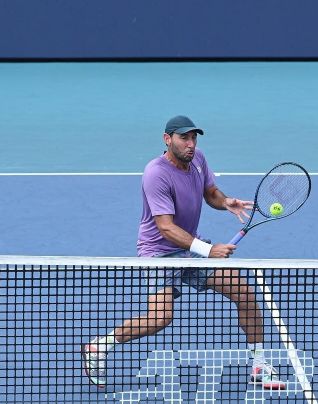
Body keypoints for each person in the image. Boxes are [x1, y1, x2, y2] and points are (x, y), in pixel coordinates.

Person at [81, 115, 286, 390]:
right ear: (168, 139)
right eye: (184, 138)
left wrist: (226, 202)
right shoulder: (156, 173)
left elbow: (210, 191)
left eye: (193, 138)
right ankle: (98, 347)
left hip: (189, 247)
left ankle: (260, 365)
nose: (190, 144)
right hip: (159, 252)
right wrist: (208, 250)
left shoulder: (198, 159)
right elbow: (165, 228)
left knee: (244, 293)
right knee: (160, 318)